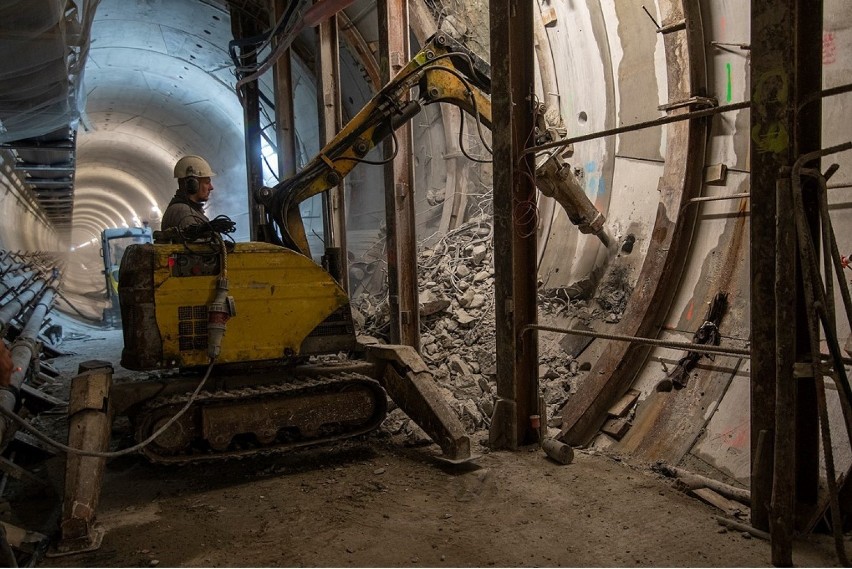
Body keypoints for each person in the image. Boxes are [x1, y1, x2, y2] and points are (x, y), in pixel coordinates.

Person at [160, 155, 217, 232]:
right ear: (193, 184)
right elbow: (199, 243)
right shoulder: (182, 212)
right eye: (207, 182)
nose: (211, 187)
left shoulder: (192, 210)